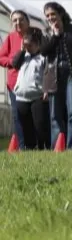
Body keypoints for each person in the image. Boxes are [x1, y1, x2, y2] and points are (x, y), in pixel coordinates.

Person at [41, 2, 72, 150]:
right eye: (48, 15)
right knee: (55, 114)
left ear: (60, 13)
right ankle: (58, 145)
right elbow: (44, 51)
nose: (51, 18)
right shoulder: (45, 32)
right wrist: (55, 35)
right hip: (53, 76)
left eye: (53, 14)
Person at [11, 28, 50, 150]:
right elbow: (14, 64)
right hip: (21, 97)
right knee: (26, 126)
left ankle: (42, 147)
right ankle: (30, 147)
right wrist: (22, 51)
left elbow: (48, 74)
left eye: (30, 44)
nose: (28, 47)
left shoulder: (43, 58)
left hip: (37, 96)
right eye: (25, 43)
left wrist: (46, 90)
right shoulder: (23, 56)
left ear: (38, 44)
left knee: (39, 125)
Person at [0, 10, 31, 150]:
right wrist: (12, 61)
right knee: (18, 116)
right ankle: (22, 146)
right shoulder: (11, 38)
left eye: (21, 19)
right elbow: (1, 58)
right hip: (15, 84)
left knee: (33, 115)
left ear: (27, 21)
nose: (18, 23)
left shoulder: (35, 35)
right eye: (15, 20)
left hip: (33, 84)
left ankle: (35, 144)